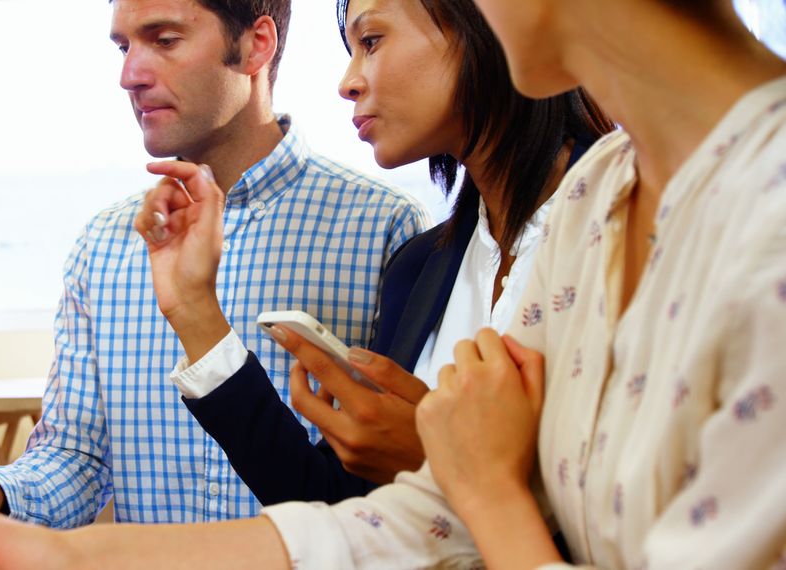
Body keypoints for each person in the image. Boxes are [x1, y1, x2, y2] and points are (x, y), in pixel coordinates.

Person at [0, 0, 786, 566]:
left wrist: (483, 482)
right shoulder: (597, 198)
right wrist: (65, 557)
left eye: (373, 36)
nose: (352, 77)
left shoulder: (397, 228)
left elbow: (450, 506)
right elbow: (401, 525)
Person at [0, 0, 427, 530]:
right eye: (123, 45)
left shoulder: (383, 228)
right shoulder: (105, 246)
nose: (129, 75)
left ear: (256, 45)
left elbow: (381, 490)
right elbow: (75, 460)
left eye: (164, 40)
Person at [134, 0, 610, 507]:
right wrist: (193, 309)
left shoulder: (629, 226)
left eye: (372, 41)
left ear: (491, 21)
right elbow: (333, 502)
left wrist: (439, 460)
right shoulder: (420, 267)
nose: (348, 82)